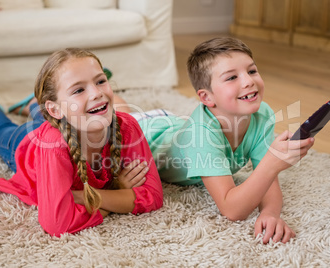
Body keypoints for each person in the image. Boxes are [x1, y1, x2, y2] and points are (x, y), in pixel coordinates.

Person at [133, 37, 315, 244]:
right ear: (207, 98)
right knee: (121, 115)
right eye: (231, 78)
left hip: (172, 124)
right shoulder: (200, 135)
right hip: (146, 132)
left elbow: (267, 175)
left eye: (252, 71)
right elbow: (232, 209)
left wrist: (270, 213)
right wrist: (271, 163)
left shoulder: (261, 114)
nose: (248, 81)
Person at [0, 48, 163, 237]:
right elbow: (58, 224)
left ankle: (33, 105)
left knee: (55, 119)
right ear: (55, 110)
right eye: (79, 89)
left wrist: (85, 196)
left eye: (100, 81)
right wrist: (118, 195)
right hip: (26, 141)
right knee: (0, 128)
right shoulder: (53, 145)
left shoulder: (127, 126)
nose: (97, 93)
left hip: (66, 121)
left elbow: (153, 197)